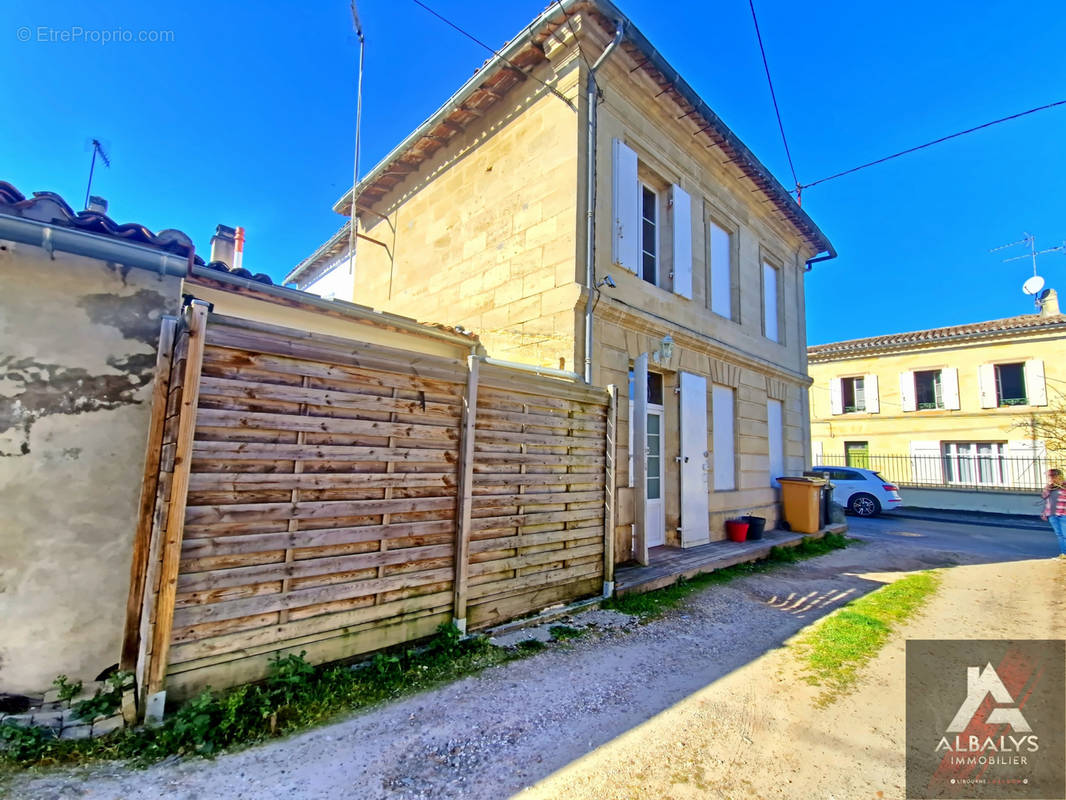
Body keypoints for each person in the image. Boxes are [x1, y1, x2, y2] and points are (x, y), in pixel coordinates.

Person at [1041, 468, 1066, 558]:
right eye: (1049, 477)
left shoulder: (1064, 486)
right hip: (1052, 514)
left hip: (1063, 514)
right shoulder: (1049, 487)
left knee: (1065, 535)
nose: (1050, 479)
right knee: (1059, 535)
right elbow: (1045, 498)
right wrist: (1045, 512)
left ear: (1058, 476)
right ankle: (1064, 554)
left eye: (1052, 476)